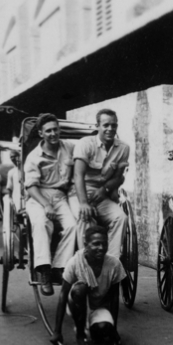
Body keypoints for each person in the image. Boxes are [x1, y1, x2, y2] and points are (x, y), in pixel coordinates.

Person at [23, 113, 78, 295]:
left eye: (56, 129)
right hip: (38, 197)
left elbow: (88, 152)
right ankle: (44, 271)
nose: (53, 133)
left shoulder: (69, 147)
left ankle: (59, 267)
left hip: (60, 196)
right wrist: (46, 205)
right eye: (48, 131)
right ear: (41, 133)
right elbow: (31, 187)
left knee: (73, 226)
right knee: (41, 223)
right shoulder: (34, 157)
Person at [50, 225, 125, 345]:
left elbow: (114, 298)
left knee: (103, 329)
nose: (101, 248)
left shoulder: (114, 264)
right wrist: (57, 331)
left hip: (98, 306)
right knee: (80, 289)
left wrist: (114, 329)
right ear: (86, 244)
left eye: (104, 244)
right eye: (96, 244)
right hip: (76, 303)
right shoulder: (74, 262)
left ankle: (93, 328)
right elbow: (63, 294)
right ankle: (80, 334)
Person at [69, 108, 128, 259]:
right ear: (97, 126)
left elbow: (119, 177)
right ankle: (86, 262)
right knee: (84, 217)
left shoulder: (123, 148)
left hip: (103, 195)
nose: (110, 129)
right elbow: (78, 175)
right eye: (106, 125)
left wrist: (104, 189)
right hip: (79, 193)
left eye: (113, 125)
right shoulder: (85, 144)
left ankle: (111, 262)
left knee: (120, 217)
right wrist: (83, 203)